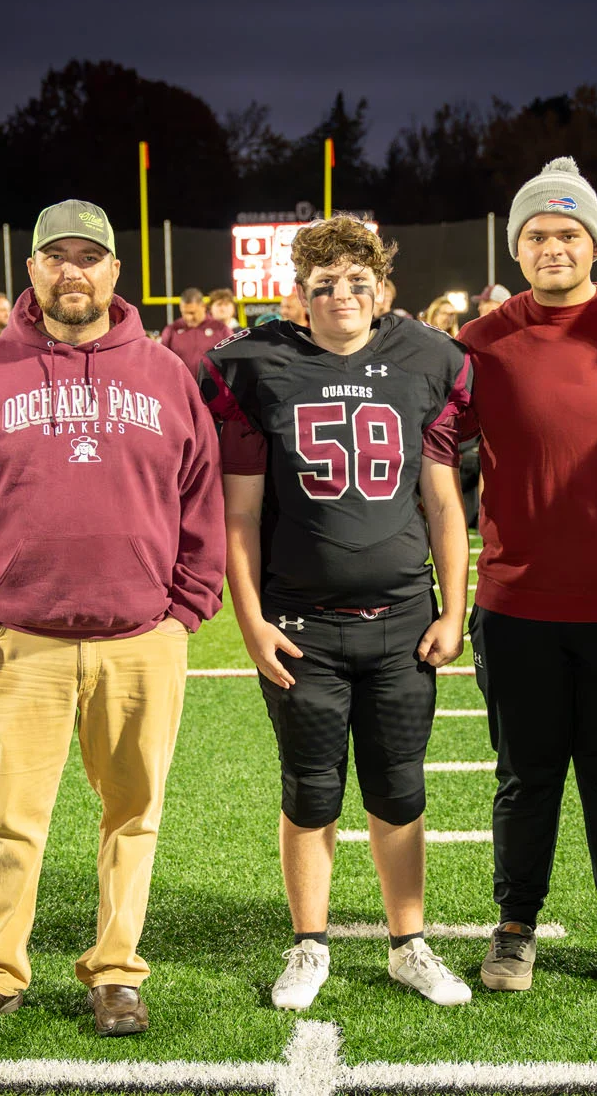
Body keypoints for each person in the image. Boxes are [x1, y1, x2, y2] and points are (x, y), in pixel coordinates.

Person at [0, 200, 225, 1043]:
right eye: (57, 256)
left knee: (134, 811)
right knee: (9, 815)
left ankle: (116, 968)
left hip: (139, 638)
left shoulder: (162, 372)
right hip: (20, 637)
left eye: (90, 256)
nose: (73, 270)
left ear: (116, 272)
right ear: (33, 270)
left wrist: (184, 610)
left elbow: (203, 497)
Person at [200, 214, 474, 1011]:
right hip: (301, 626)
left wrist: (453, 609)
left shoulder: (426, 358)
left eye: (358, 281)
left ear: (382, 287)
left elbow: (444, 503)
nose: (342, 296)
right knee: (310, 790)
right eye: (325, 285)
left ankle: (408, 943)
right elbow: (240, 514)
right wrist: (249, 620)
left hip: (400, 619)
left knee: (399, 788)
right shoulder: (262, 365)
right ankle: (309, 943)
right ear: (299, 295)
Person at [457, 157, 597, 998]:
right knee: (526, 773)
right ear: (517, 247)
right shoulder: (482, 340)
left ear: (596, 241)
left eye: (568, 231)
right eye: (536, 234)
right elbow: (436, 448)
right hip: (518, 601)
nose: (553, 245)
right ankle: (515, 923)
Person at [159, 287, 231, 379]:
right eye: (184, 313)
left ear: (203, 306)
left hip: (212, 389)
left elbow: (232, 363)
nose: (188, 317)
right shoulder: (171, 330)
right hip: (181, 389)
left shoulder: (221, 330)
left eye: (192, 313)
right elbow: (161, 361)